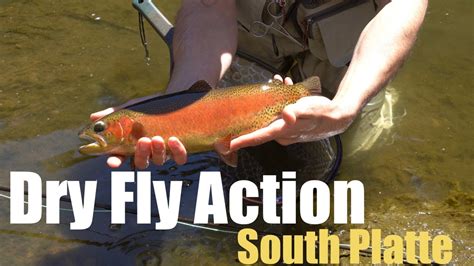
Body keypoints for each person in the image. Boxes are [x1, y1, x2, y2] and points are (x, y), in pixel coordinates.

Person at [90, 0, 428, 169]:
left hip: (349, 58)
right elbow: (208, 4)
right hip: (247, 38)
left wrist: (347, 104)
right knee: (228, 123)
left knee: (355, 146)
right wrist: (183, 97)